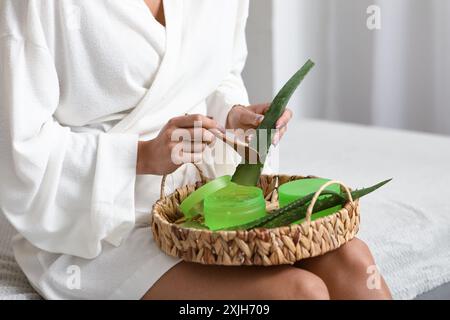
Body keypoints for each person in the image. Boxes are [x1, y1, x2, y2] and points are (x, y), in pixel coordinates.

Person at [0, 0, 391, 299]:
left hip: (204, 202)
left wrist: (232, 117)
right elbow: (20, 150)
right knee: (298, 292)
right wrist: (141, 156)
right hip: (94, 226)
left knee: (355, 265)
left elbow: (218, 74)